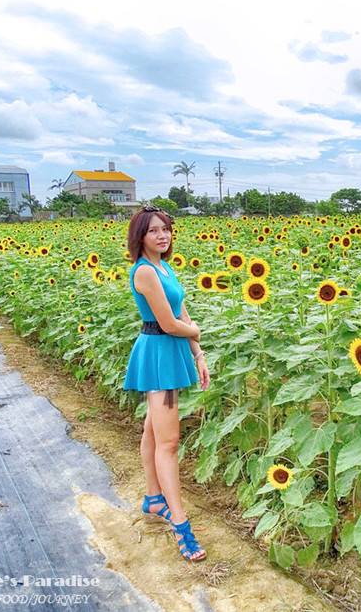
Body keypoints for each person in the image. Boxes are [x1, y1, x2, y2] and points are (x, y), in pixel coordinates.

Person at [123, 203, 210, 561]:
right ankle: (180, 522)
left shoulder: (164, 266)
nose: (162, 236)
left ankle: (154, 498)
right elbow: (171, 323)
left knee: (152, 432)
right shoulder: (144, 272)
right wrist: (195, 332)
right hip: (159, 353)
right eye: (153, 231)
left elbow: (180, 310)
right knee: (169, 443)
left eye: (166, 229)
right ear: (139, 237)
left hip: (170, 351)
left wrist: (198, 352)